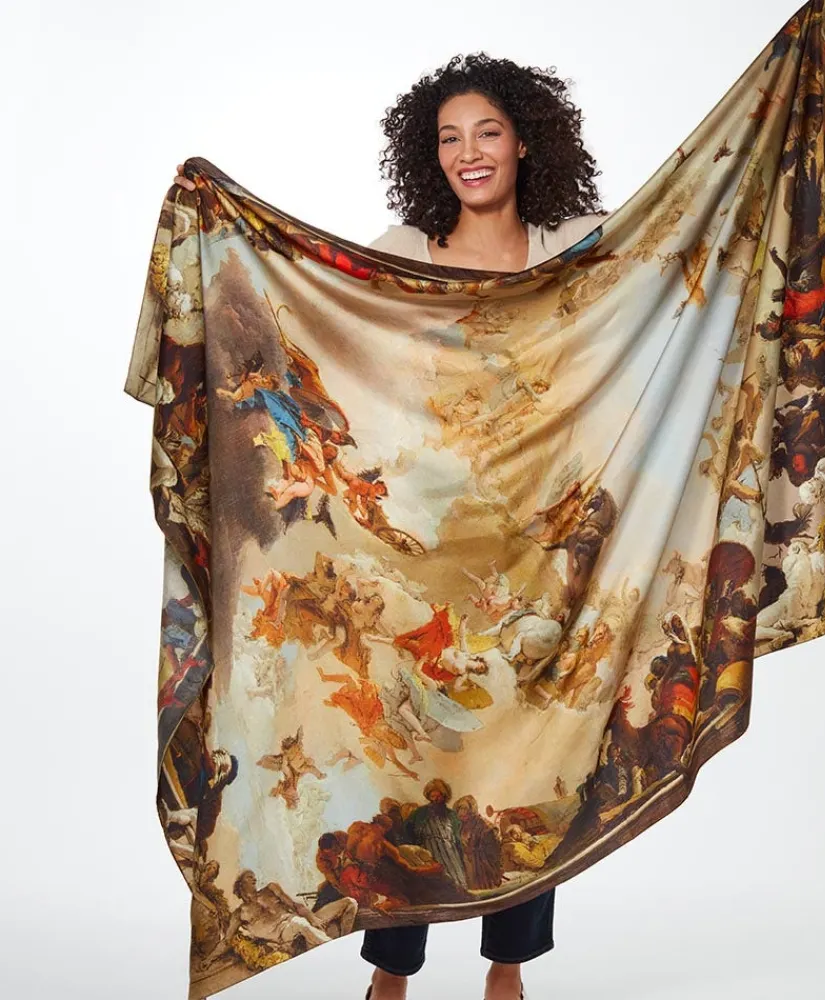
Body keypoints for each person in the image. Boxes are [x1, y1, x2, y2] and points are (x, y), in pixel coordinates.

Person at [172, 50, 610, 1000]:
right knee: (407, 761)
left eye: (487, 132)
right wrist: (220, 214)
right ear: (430, 154)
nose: (469, 153)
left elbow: (676, 260)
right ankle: (392, 969)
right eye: (449, 138)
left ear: (524, 142)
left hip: (536, 544)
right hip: (428, 530)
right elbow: (319, 323)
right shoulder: (403, 251)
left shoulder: (572, 245)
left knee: (531, 755)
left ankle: (507, 965)